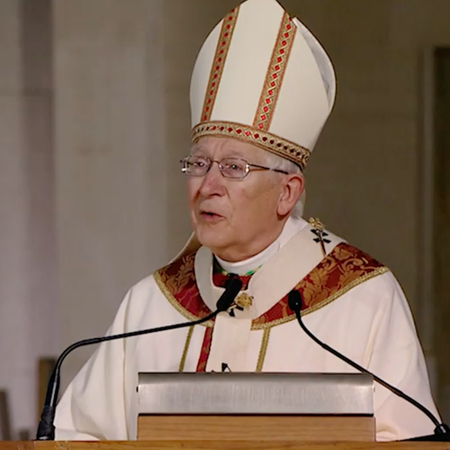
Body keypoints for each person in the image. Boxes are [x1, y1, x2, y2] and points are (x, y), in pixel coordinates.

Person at [54, 0, 440, 442]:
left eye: (234, 168)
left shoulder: (363, 298)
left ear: (287, 192)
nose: (208, 185)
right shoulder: (150, 306)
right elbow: (76, 436)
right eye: (198, 164)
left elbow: (410, 440)